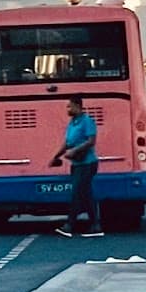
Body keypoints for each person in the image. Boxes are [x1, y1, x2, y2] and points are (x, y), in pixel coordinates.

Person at [52, 96, 101, 236]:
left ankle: (69, 225)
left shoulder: (87, 121)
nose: (67, 109)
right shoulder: (72, 123)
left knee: (77, 193)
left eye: (69, 106)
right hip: (77, 164)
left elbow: (91, 141)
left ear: (78, 106)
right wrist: (56, 156)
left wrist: (75, 150)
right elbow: (67, 143)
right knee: (85, 194)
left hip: (87, 163)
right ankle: (95, 225)